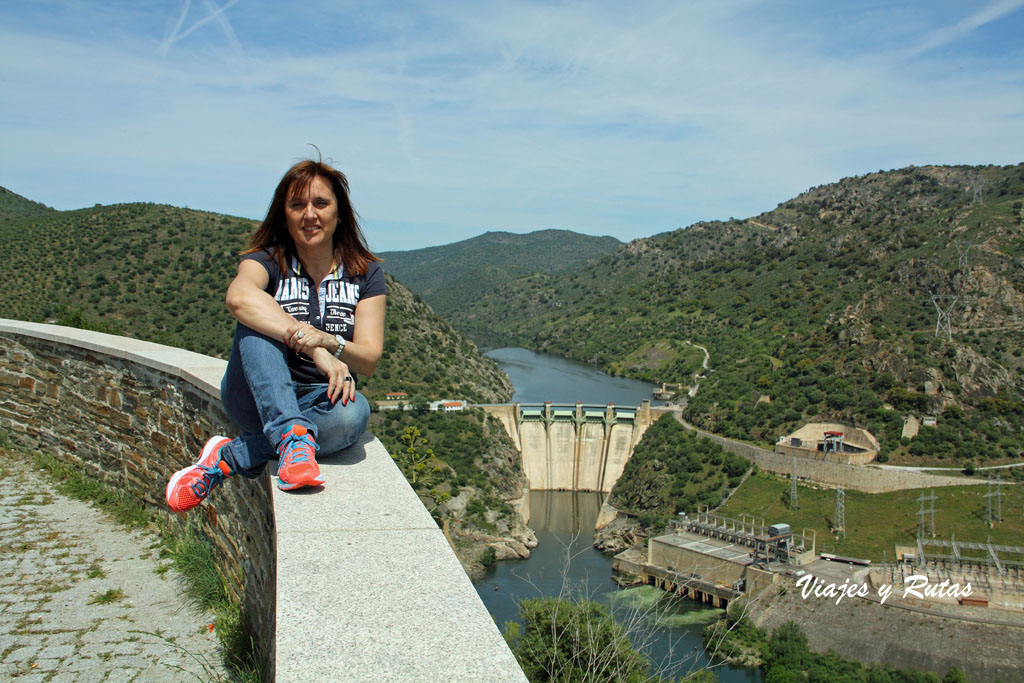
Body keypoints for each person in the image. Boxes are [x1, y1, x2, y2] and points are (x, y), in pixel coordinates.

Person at [166, 157, 386, 513]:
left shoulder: (365, 273)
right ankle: (292, 435)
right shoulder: (266, 259)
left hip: (318, 398)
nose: (309, 214)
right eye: (297, 205)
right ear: (284, 215)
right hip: (256, 394)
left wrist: (329, 342)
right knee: (257, 315)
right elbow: (239, 299)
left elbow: (369, 358)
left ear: (339, 212)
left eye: (320, 203)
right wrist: (311, 346)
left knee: (353, 415)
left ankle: (230, 456)